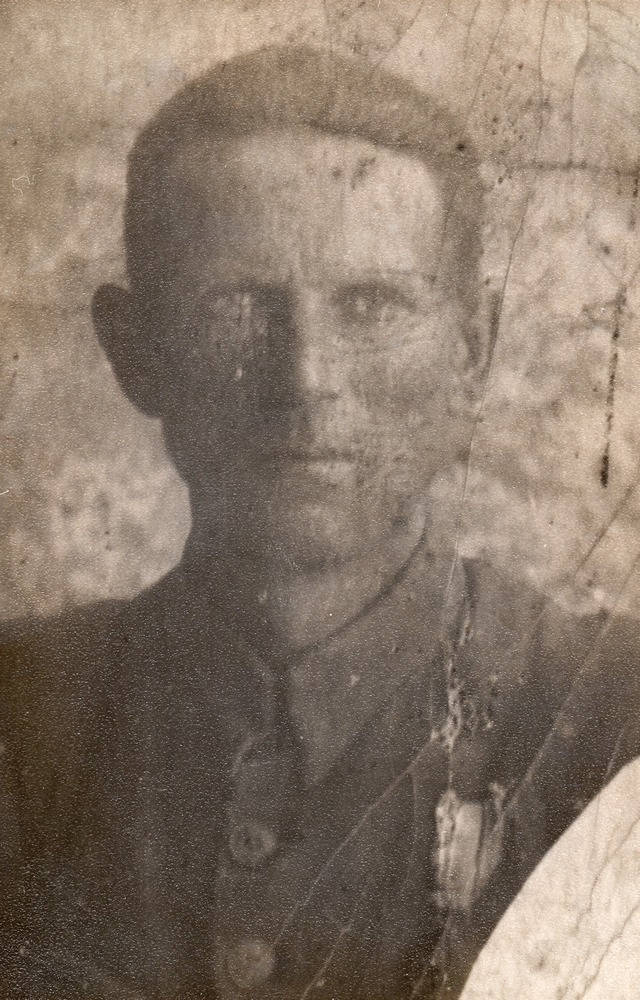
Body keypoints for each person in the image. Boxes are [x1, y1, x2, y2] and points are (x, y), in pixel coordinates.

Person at [1, 45, 639, 1000]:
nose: (308, 383)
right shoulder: (25, 717)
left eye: (373, 306)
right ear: (135, 351)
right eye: (239, 307)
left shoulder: (613, 719)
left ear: (476, 348)